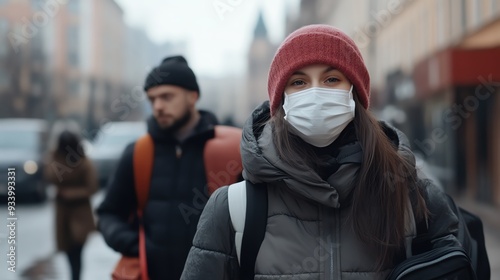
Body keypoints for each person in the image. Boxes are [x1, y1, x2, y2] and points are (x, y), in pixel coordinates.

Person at [181, 25, 462, 279]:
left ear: (354, 94)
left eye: (331, 80)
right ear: (282, 102)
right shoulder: (234, 209)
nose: (315, 94)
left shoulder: (414, 199)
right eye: (299, 82)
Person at [96, 55, 241, 280]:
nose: (158, 106)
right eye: (152, 99)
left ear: (193, 96)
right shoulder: (138, 153)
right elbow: (108, 213)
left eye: (166, 97)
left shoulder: (228, 151)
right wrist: (137, 246)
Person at [44, 130, 98, 280]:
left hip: (80, 212)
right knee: (68, 249)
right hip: (63, 213)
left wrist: (70, 193)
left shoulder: (84, 162)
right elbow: (50, 176)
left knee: (77, 250)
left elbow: (92, 187)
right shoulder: (56, 158)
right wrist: (55, 156)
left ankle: (76, 277)